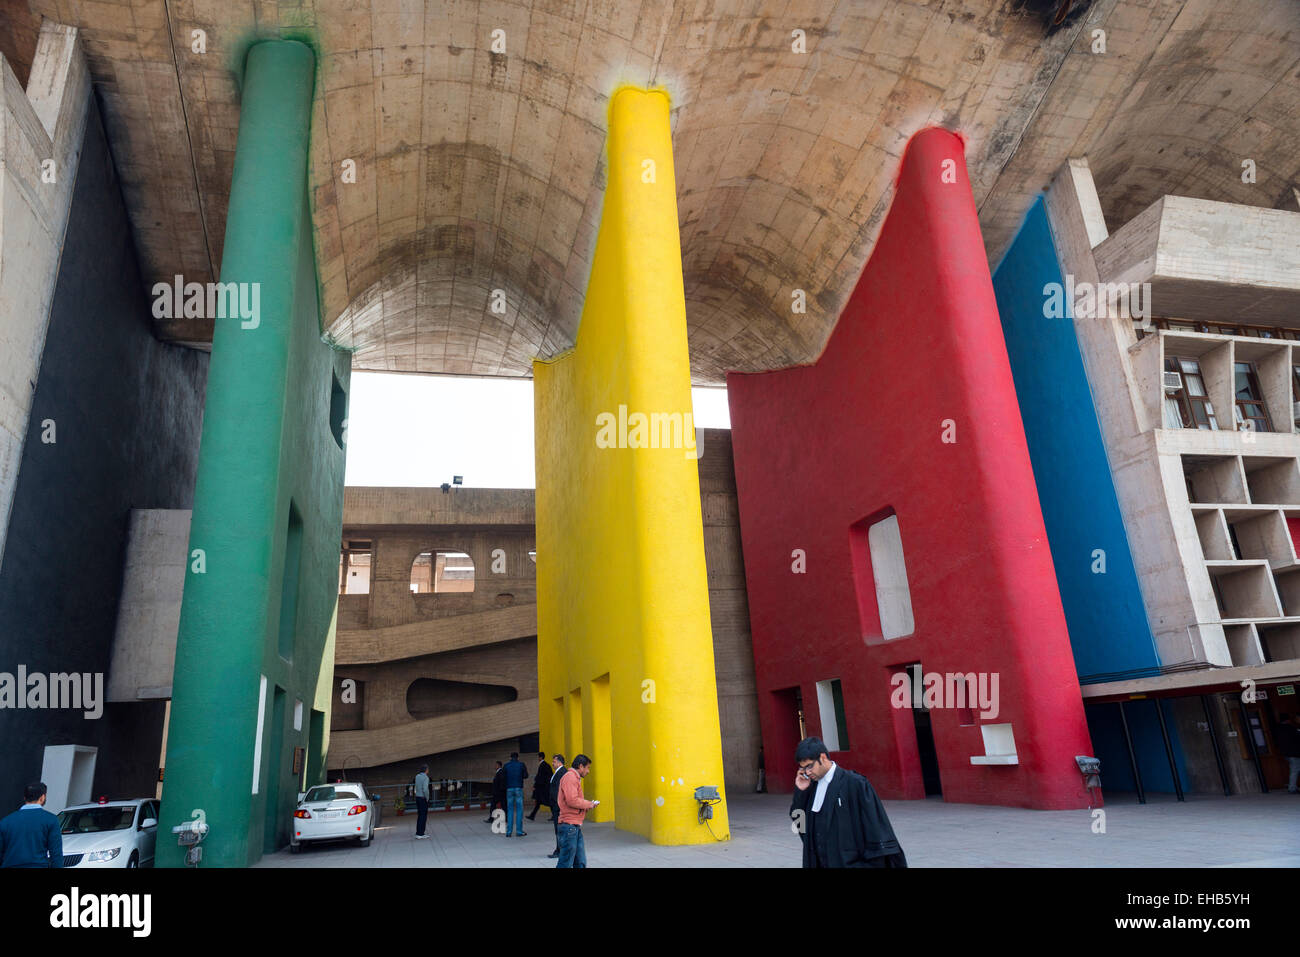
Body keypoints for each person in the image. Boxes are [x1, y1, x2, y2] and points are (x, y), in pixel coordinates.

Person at [789, 736, 906, 868]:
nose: (807, 772)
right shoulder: (811, 788)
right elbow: (799, 821)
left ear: (822, 757)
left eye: (810, 766)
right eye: (803, 768)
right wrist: (801, 792)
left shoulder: (855, 783)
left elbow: (875, 828)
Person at [0, 783, 63, 868]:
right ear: (42, 797)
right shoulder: (51, 820)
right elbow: (56, 854)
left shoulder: (5, 822)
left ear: (24, 798)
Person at [556, 754, 599, 868]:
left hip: (574, 826)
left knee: (580, 862)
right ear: (581, 766)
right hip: (569, 826)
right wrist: (589, 804)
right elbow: (572, 800)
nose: (588, 771)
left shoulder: (573, 777)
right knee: (565, 863)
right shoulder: (570, 777)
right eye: (587, 768)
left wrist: (588, 805)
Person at [503, 751, 530, 837]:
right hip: (518, 788)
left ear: (510, 758)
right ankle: (519, 831)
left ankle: (509, 832)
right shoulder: (521, 764)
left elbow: (503, 776)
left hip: (509, 788)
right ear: (517, 758)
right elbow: (526, 775)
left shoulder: (506, 765)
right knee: (519, 810)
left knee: (510, 810)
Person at [546, 754, 568, 858]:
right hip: (556, 805)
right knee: (558, 829)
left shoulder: (562, 772)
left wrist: (556, 803)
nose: (552, 763)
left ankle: (560, 851)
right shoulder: (558, 772)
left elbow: (559, 790)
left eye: (554, 761)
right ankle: (559, 849)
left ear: (559, 762)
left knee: (559, 829)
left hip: (558, 806)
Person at [1275, 712, 1300, 793]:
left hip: (1286, 753)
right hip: (1294, 752)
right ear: (1288, 720)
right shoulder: (1291, 728)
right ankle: (1292, 788)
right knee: (1295, 770)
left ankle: (1293, 786)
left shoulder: (1278, 729)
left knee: (1294, 769)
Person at [527, 751, 552, 821]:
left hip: (542, 788)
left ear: (540, 757)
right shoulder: (546, 765)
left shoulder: (542, 765)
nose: (537, 758)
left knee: (548, 802)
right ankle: (532, 816)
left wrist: (535, 785)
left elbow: (540, 777)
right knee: (539, 802)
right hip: (544, 787)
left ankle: (555, 815)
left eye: (538, 757)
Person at [413, 764, 431, 839]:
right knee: (423, 816)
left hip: (417, 797)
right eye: (428, 769)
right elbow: (425, 789)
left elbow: (416, 787)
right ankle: (421, 834)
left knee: (420, 815)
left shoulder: (417, 776)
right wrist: (427, 798)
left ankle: (419, 833)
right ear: (426, 770)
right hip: (423, 798)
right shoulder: (426, 778)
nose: (428, 771)